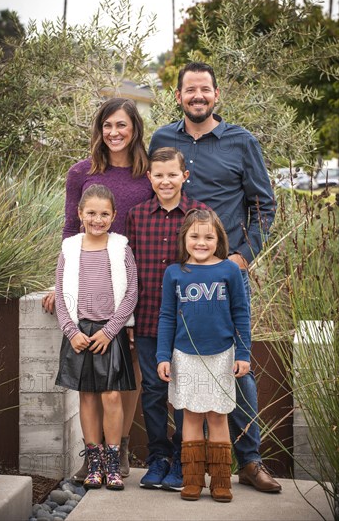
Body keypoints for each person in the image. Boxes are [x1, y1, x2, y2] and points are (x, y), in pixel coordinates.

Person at [149, 62, 281, 493]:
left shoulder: (242, 142)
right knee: (179, 367)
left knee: (237, 369)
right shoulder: (163, 139)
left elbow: (264, 206)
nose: (198, 97)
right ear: (179, 95)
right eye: (190, 90)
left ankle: (249, 459)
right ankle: (179, 462)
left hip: (227, 276)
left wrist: (243, 257)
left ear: (216, 95)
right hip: (179, 276)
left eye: (205, 90)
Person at [43, 98, 153, 481]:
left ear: (135, 128)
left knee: (131, 364)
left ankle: (118, 447)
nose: (115, 132)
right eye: (107, 125)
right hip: (89, 280)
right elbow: (70, 231)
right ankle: (94, 457)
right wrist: (61, 286)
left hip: (135, 279)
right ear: (99, 129)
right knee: (92, 382)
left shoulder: (147, 173)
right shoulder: (82, 172)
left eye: (122, 125)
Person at [126, 147, 209, 491]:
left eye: (172, 174)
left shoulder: (200, 215)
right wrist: (128, 319)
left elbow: (211, 268)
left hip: (189, 323)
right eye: (158, 175)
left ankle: (181, 458)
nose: (165, 181)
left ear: (184, 176)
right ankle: (158, 457)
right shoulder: (137, 214)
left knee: (187, 393)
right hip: (147, 319)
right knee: (154, 390)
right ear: (150, 178)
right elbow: (128, 270)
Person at [157, 208, 251, 502]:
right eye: (194, 236)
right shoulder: (174, 273)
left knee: (219, 417)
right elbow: (167, 317)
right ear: (184, 238)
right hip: (185, 356)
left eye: (208, 236)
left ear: (218, 239)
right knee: (191, 418)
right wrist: (163, 356)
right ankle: (193, 480)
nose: (201, 242)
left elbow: (241, 314)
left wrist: (244, 353)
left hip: (221, 356)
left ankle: (222, 482)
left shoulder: (229, 270)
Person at [55, 184, 138, 490]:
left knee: (112, 395)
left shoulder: (121, 248)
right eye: (91, 213)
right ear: (80, 214)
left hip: (109, 332)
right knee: (87, 395)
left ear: (114, 216)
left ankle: (113, 462)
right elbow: (62, 295)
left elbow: (131, 293)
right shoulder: (69, 249)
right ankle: (93, 463)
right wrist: (70, 331)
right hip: (79, 332)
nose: (98, 219)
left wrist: (110, 330)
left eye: (104, 214)